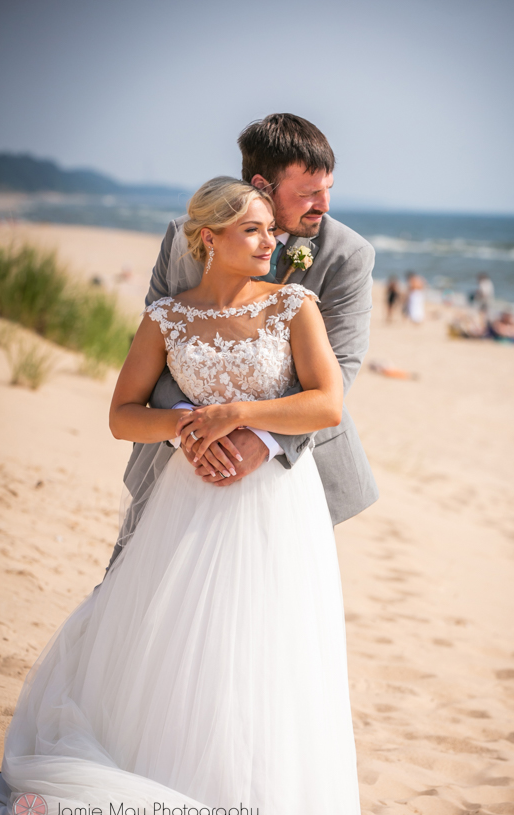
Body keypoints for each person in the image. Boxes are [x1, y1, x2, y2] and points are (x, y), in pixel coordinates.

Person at [0, 177, 371, 815]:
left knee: (267, 647)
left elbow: (326, 403)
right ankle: (172, 781)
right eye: (254, 230)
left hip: (275, 509)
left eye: (271, 230)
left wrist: (239, 415)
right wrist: (184, 429)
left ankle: (263, 812)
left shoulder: (295, 305)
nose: (272, 242)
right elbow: (123, 413)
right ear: (208, 239)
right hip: (184, 502)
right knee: (177, 642)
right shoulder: (166, 317)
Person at [108, 114, 378, 572]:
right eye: (309, 192)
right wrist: (189, 429)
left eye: (328, 188)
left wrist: (263, 439)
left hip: (283, 467)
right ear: (263, 184)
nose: (324, 205)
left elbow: (342, 366)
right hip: (180, 461)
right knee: (133, 590)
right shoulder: (185, 234)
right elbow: (159, 344)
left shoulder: (348, 254)